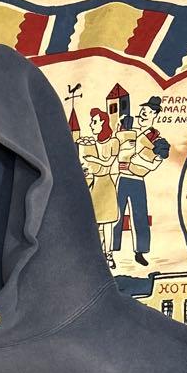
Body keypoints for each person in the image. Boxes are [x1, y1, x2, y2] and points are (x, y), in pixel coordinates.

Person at [112, 97, 168, 265]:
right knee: (116, 214)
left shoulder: (156, 138)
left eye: (149, 111)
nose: (144, 113)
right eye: (143, 109)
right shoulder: (129, 128)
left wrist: (136, 161)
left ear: (155, 115)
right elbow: (117, 148)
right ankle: (110, 249)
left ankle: (140, 251)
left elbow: (154, 164)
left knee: (139, 215)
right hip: (122, 178)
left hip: (137, 180)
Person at [79, 108, 121, 269]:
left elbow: (108, 162)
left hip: (106, 184)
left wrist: (93, 158)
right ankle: (92, 254)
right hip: (94, 183)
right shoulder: (91, 143)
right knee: (93, 222)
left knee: (108, 223)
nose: (91, 124)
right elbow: (87, 165)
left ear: (103, 123)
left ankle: (108, 254)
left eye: (94, 121)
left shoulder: (113, 142)